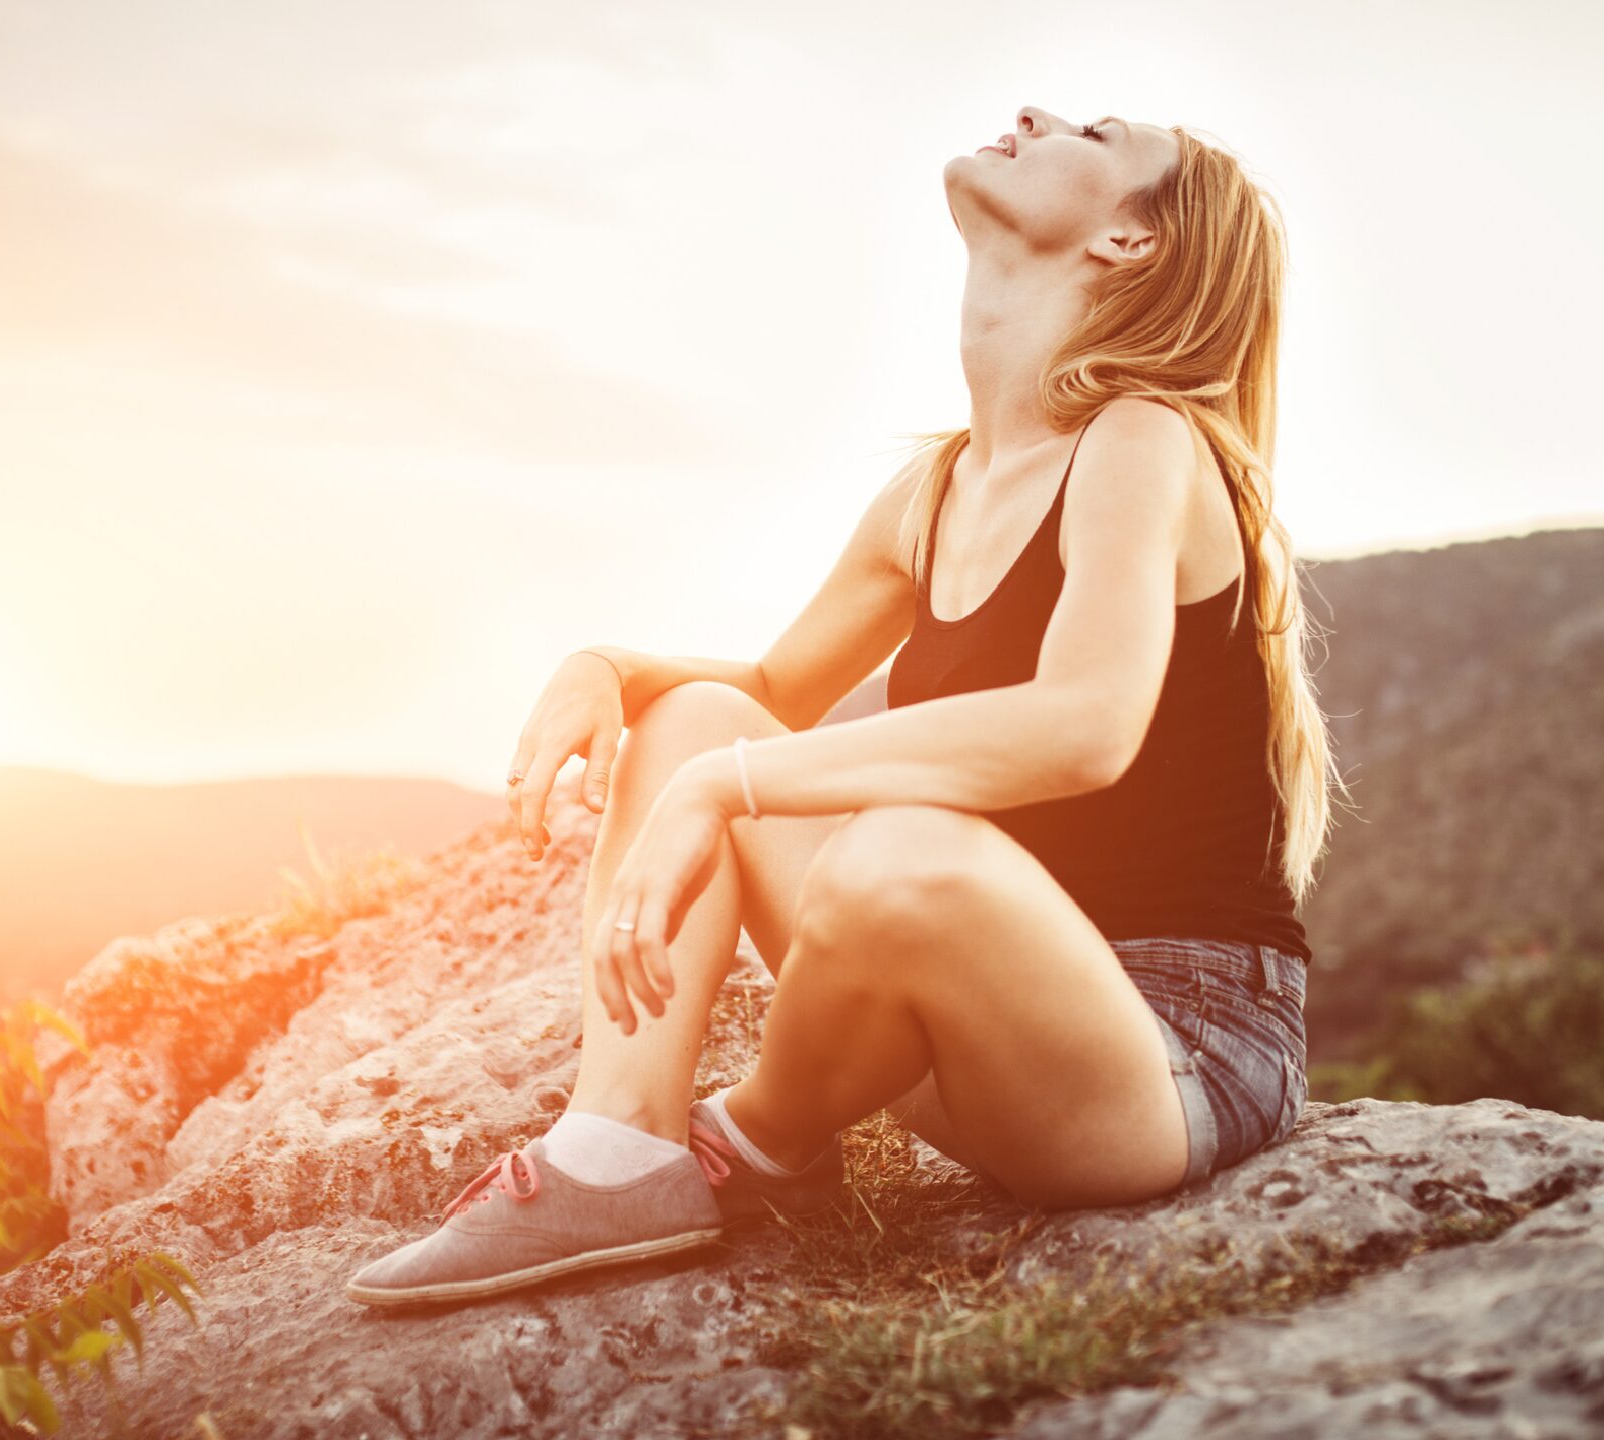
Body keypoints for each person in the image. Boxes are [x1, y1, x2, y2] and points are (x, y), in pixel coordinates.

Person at [346, 104, 1343, 1309]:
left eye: (1093, 132)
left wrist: (729, 791)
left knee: (897, 840)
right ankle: (616, 1152)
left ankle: (762, 1140)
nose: (1033, 114)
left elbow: (1085, 724)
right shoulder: (934, 490)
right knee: (697, 720)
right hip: (975, 1028)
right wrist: (608, 667)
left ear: (1127, 246)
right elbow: (765, 697)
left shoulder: (1144, 441)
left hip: (1165, 1061)